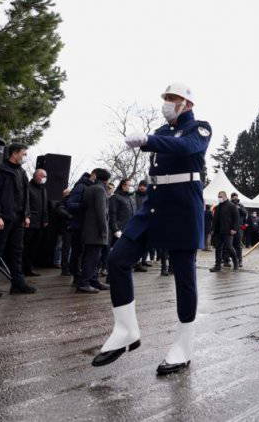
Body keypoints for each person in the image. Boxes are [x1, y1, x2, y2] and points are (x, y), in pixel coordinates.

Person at [92, 82, 210, 376]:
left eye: (173, 98)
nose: (167, 103)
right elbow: (161, 146)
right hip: (154, 206)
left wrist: (147, 139)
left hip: (183, 207)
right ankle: (126, 330)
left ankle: (184, 346)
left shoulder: (200, 128)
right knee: (118, 259)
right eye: (166, 98)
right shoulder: (161, 131)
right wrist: (149, 138)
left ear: (188, 104)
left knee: (184, 277)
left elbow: (186, 148)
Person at [0, 143, 35, 297]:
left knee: (17, 252)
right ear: (14, 153)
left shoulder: (22, 172)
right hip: (3, 218)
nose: (25, 157)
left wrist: (26, 215)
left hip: (18, 219)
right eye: (24, 154)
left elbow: (25, 196)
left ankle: (18, 284)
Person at [78, 168, 111, 293]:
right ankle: (84, 283)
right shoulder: (100, 190)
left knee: (93, 257)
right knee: (92, 258)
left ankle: (93, 280)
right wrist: (104, 230)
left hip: (89, 228)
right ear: (107, 179)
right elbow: (101, 212)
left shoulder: (90, 188)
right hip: (96, 230)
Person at [23, 169, 49, 277]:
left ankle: (29, 268)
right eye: (42, 176)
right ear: (36, 176)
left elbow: (45, 206)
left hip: (40, 223)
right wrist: (26, 216)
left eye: (45, 176)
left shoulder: (43, 189)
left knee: (34, 247)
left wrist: (46, 219)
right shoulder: (28, 187)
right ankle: (22, 268)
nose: (44, 178)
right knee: (25, 246)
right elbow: (26, 203)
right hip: (30, 222)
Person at [209, 191, 240, 272]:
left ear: (225, 196)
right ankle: (217, 266)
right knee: (218, 248)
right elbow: (215, 220)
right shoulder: (218, 207)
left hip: (228, 231)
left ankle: (236, 262)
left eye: (220, 196)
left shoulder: (232, 206)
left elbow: (237, 219)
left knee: (229, 247)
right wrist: (212, 229)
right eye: (218, 196)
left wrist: (234, 229)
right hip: (219, 232)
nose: (219, 198)